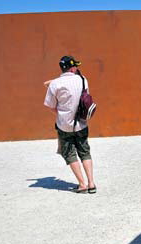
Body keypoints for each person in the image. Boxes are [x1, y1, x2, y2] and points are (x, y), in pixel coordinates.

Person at [44, 56, 96, 194]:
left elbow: (49, 105)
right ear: (72, 68)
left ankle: (82, 184)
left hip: (64, 125)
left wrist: (60, 114)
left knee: (70, 154)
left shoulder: (55, 84)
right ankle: (91, 183)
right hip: (81, 123)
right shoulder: (83, 80)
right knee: (85, 152)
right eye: (76, 66)